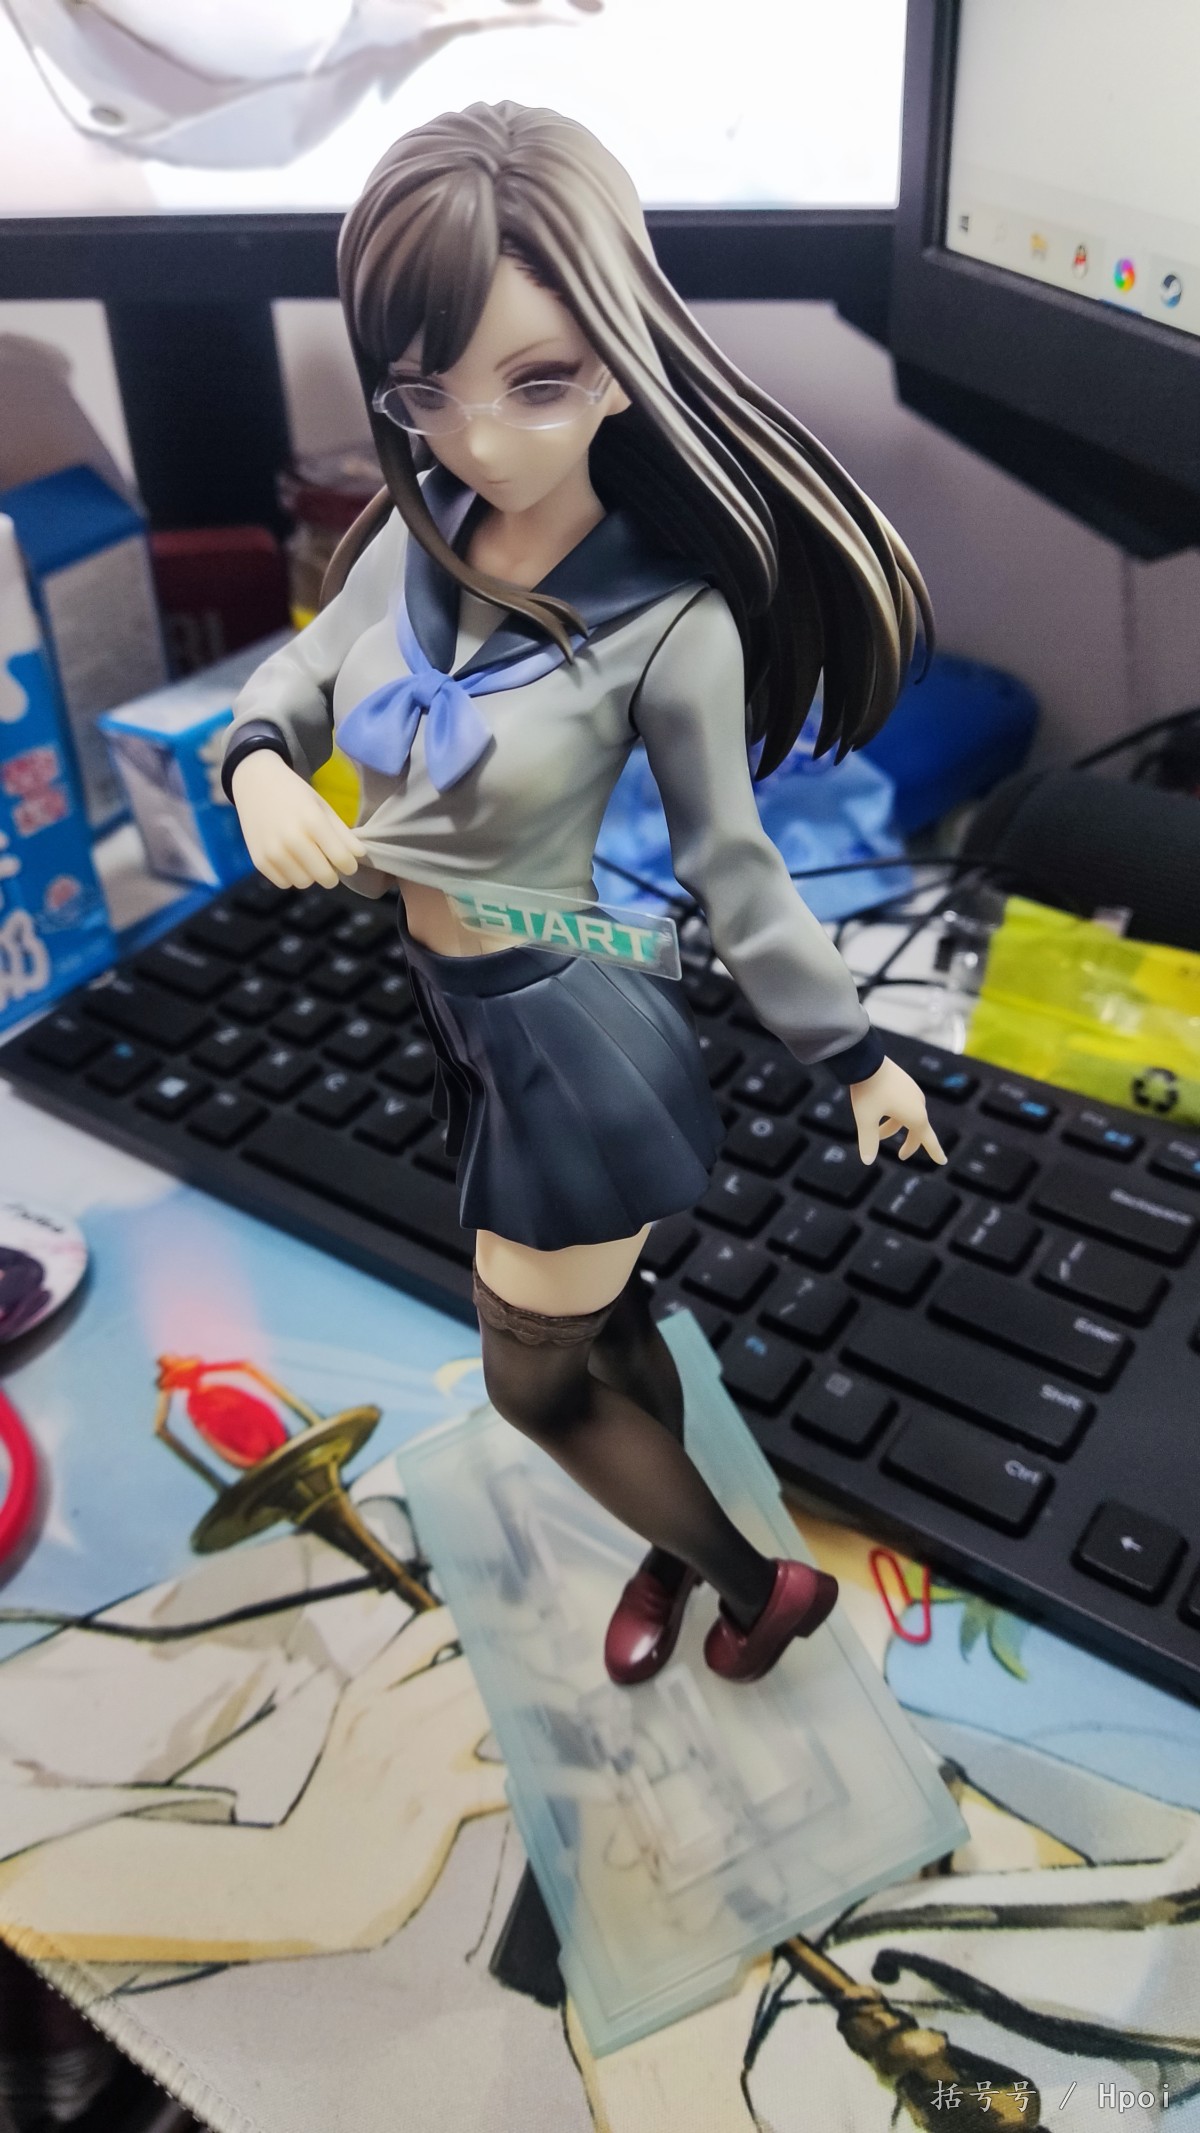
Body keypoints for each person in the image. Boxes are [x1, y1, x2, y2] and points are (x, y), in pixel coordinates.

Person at [222, 101, 944, 1689]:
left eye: (536, 381)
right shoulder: (416, 536)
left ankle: (759, 1586)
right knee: (610, 1332)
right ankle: (676, 1547)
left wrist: (857, 1056)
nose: (480, 438)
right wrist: (262, 764)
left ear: (622, 358)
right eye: (429, 390)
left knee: (531, 1381)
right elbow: (301, 671)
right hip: (460, 1013)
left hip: (569, 1033)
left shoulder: (671, 622)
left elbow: (736, 872)